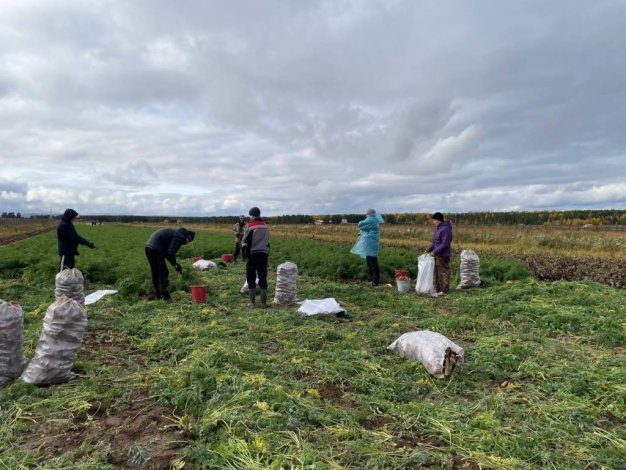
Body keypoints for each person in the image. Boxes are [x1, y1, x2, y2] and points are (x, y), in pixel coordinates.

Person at [144, 227, 195, 301]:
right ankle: (166, 297)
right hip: (155, 249)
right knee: (164, 272)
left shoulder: (175, 234)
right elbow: (171, 253)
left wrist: (175, 264)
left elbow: (167, 253)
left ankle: (158, 295)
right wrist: (175, 265)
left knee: (156, 272)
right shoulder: (179, 237)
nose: (187, 243)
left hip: (149, 247)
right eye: (189, 241)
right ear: (187, 237)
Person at [241, 207, 270, 307]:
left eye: (250, 215)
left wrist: (244, 255)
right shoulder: (265, 226)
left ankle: (252, 303)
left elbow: (244, 242)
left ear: (252, 215)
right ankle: (263, 303)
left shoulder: (249, 226)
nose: (250, 217)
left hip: (252, 255)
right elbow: (267, 241)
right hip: (263, 255)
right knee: (263, 277)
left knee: (251, 278)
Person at [350, 209, 384, 286]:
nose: (366, 215)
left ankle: (375, 281)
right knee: (370, 262)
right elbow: (366, 228)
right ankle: (371, 279)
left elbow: (361, 224)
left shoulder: (371, 219)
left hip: (370, 244)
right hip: (371, 244)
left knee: (372, 263)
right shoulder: (375, 220)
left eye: (367, 214)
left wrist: (361, 227)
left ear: (369, 214)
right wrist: (361, 232)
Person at [426, 212, 453, 294]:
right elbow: (435, 242)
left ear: (438, 220)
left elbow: (445, 244)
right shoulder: (437, 228)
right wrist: (428, 250)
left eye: (434, 220)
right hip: (437, 254)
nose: (433, 222)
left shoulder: (446, 229)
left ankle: (444, 290)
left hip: (443, 255)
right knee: (437, 272)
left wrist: (435, 251)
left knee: (443, 272)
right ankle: (438, 289)